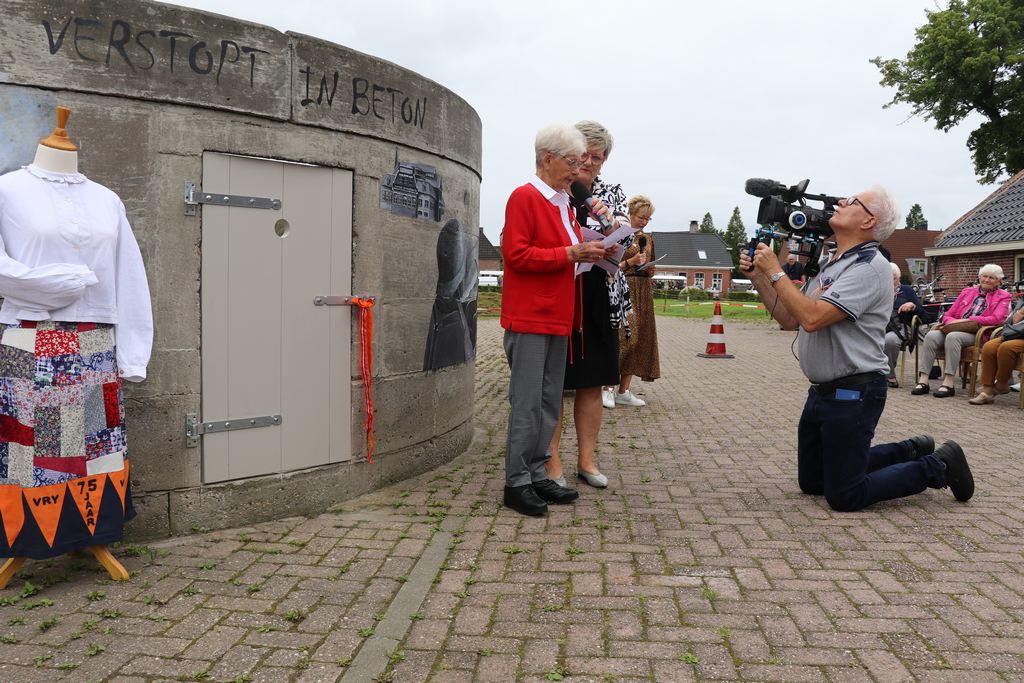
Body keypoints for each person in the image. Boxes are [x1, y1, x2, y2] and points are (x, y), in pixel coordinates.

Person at [740, 186, 974, 511]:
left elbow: (812, 318)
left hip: (854, 392)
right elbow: (790, 318)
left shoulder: (869, 266)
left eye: (852, 201)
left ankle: (939, 466)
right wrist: (759, 278)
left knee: (845, 495)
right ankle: (910, 450)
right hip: (822, 392)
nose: (840, 202)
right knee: (813, 482)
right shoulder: (832, 263)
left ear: (868, 221)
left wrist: (775, 271)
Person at [0, 107, 153, 560]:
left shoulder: (107, 200)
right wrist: (63, 283)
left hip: (95, 342)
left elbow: (129, 276)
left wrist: (133, 354)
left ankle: (90, 532)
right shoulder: (7, 190)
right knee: (35, 452)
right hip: (31, 338)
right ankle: (31, 538)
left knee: (95, 443)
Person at [499, 123, 610, 517]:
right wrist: (570, 254)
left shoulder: (564, 202)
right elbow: (516, 254)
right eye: (572, 162)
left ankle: (536, 471)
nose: (578, 170)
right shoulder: (525, 197)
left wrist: (595, 250)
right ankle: (516, 482)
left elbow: (570, 248)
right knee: (527, 402)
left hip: (559, 315)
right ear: (548, 159)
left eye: (582, 162)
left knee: (548, 400)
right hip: (531, 316)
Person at [546, 120, 627, 490]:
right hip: (562, 292)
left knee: (592, 380)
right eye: (585, 155)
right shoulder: (553, 191)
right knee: (554, 382)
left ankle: (588, 460)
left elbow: (627, 239)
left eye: (598, 157)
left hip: (599, 294)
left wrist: (618, 245)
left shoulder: (611, 195)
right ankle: (551, 460)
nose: (590, 163)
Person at [911, 264, 1011, 397]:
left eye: (991, 278)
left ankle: (948, 383)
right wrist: (952, 322)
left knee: (953, 337)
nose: (986, 280)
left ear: (999, 281)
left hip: (979, 333)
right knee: (931, 335)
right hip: (956, 327)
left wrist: (970, 320)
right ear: (979, 277)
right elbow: (948, 314)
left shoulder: (1004, 296)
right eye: (984, 276)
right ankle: (923, 380)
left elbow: (997, 319)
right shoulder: (967, 292)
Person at [615, 194, 660, 406]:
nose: (643, 222)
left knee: (639, 339)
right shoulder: (619, 234)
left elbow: (651, 264)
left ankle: (624, 391)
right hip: (623, 288)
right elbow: (610, 266)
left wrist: (650, 270)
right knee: (624, 338)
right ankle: (607, 387)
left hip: (643, 290)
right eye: (641, 217)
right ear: (631, 214)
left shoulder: (648, 239)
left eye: (647, 219)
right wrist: (631, 262)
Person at [968, 295, 1024, 404]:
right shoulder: (1022, 300)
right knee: (989, 347)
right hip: (1015, 334)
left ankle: (1001, 384)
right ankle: (987, 390)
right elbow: (1011, 322)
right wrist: (1021, 312)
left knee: (1006, 347)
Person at [883, 262, 924, 388]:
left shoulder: (907, 290)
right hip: (881, 325)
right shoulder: (880, 291)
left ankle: (889, 376)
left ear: (898, 277)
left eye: (893, 278)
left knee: (889, 340)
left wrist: (912, 305)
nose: (890, 281)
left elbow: (922, 313)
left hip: (901, 327)